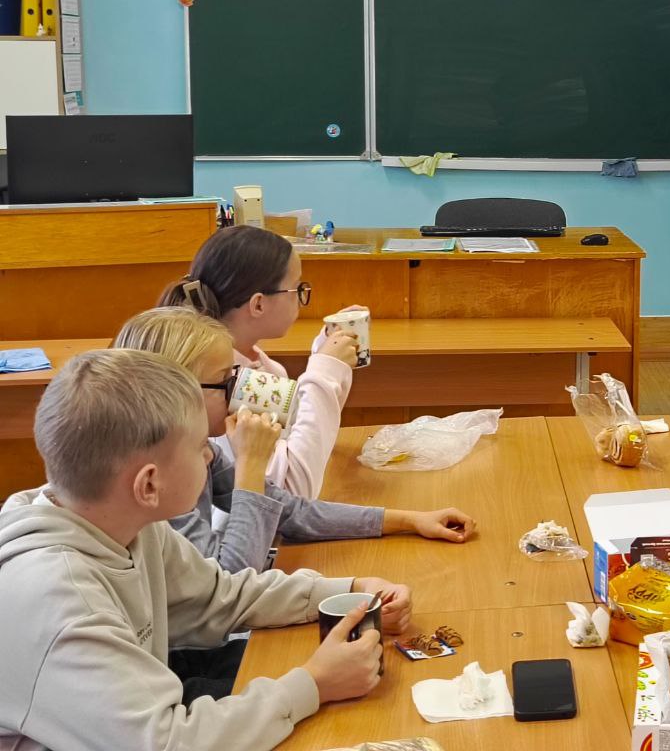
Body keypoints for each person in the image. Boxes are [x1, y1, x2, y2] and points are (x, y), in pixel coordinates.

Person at [0, 348, 411, 750]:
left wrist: (348, 591)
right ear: (149, 484)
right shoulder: (62, 603)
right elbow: (167, 743)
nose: (211, 452)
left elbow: (219, 596)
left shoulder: (128, 525)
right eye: (200, 446)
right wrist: (314, 684)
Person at [114, 306, 476, 576]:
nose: (238, 392)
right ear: (177, 392)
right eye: (225, 381)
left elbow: (292, 513)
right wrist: (251, 463)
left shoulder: (200, 450)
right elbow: (231, 577)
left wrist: (410, 520)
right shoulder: (157, 478)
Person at [161, 224, 359, 498]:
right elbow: (289, 493)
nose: (302, 298)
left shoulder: (261, 367)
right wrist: (324, 373)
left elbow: (309, 437)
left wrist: (326, 358)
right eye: (296, 288)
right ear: (258, 304)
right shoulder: (230, 383)